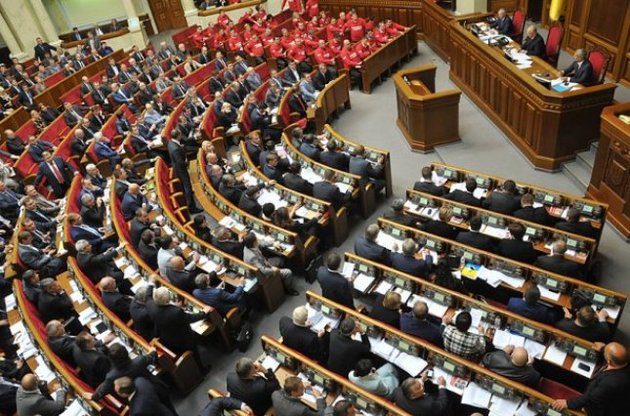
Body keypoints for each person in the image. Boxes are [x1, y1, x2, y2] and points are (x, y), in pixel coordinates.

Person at [551, 342, 630, 415]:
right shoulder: (622, 361)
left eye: (605, 353)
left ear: (609, 361)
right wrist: (603, 348)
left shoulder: (612, 382)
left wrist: (568, 403)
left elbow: (591, 398)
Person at [149, 287, 209, 356]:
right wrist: (204, 313)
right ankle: (197, 360)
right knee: (193, 347)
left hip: (167, 336)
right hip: (182, 339)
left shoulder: (151, 307)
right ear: (167, 298)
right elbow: (190, 318)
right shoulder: (176, 312)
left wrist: (175, 307)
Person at [167, 129, 201, 213]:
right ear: (179, 136)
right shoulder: (176, 149)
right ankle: (192, 208)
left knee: (185, 186)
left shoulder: (170, 142)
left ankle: (188, 199)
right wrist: (186, 162)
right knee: (187, 187)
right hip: (181, 170)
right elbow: (180, 162)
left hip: (177, 167)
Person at [114, 376, 179, 416]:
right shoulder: (140, 381)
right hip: (164, 411)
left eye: (116, 391)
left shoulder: (137, 412)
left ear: (124, 394)